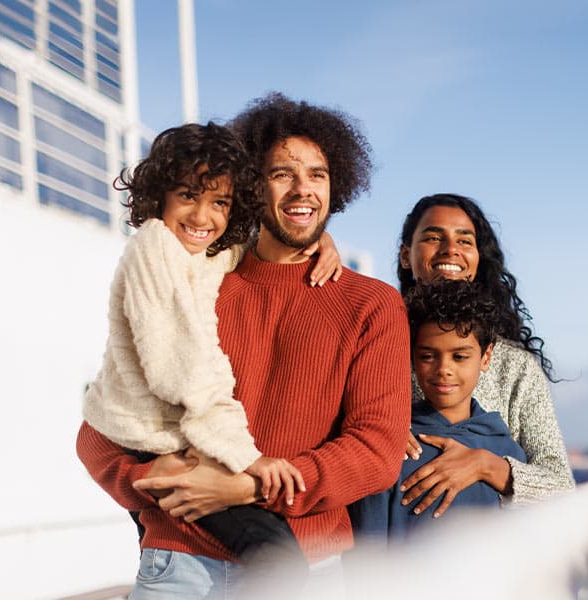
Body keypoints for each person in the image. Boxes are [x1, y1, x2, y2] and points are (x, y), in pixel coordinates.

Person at [76, 93, 411, 598]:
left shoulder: (373, 304)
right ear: (253, 186)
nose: (303, 189)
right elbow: (99, 429)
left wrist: (253, 487)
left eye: (317, 174)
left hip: (304, 566)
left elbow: (376, 451)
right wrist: (150, 477)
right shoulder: (195, 283)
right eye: (283, 174)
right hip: (180, 565)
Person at [82, 122, 342, 575]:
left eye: (219, 202)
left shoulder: (195, 253)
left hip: (160, 437)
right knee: (277, 557)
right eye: (188, 196)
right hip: (150, 441)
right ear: (159, 196)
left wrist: (317, 236)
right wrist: (248, 459)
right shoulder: (154, 247)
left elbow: (239, 249)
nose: (203, 217)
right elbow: (183, 370)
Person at [395, 194, 574, 518]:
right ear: (406, 256)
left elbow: (561, 487)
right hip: (397, 543)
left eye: (465, 240)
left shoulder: (514, 367)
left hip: (492, 551)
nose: (451, 249)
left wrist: (485, 464)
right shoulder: (375, 346)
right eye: (434, 237)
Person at [351, 280, 527, 545]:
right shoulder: (391, 442)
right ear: (411, 357)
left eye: (459, 357)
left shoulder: (508, 453)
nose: (443, 369)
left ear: (486, 357)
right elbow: (366, 554)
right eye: (428, 356)